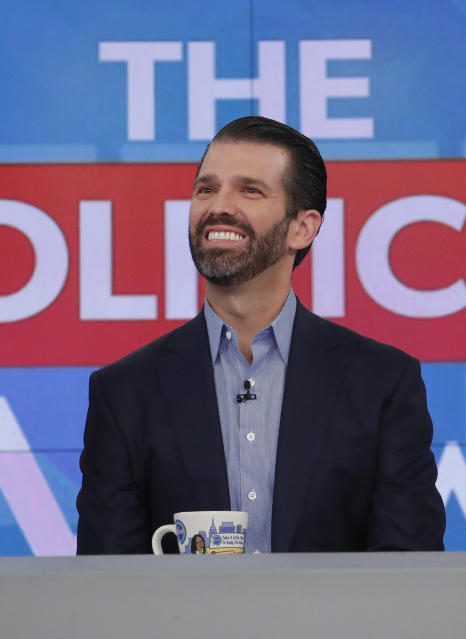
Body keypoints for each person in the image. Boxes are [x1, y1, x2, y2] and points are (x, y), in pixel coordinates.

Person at [76, 116, 445, 554]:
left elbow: (409, 575)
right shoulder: (123, 392)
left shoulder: (383, 383)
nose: (219, 206)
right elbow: (106, 584)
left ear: (302, 227)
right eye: (206, 189)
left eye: (249, 190)